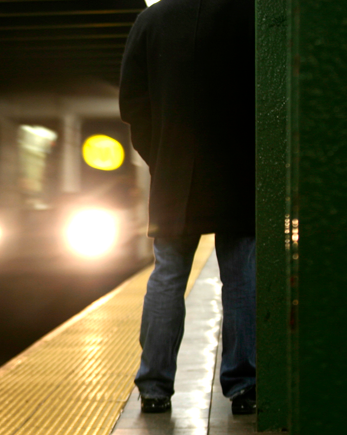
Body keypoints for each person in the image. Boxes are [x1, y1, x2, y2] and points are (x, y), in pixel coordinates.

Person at [118, 0, 257, 414]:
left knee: (167, 277)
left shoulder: (151, 20)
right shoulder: (249, 14)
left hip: (173, 177)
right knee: (240, 280)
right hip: (236, 173)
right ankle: (244, 386)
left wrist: (159, 157)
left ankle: (155, 386)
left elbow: (133, 103)